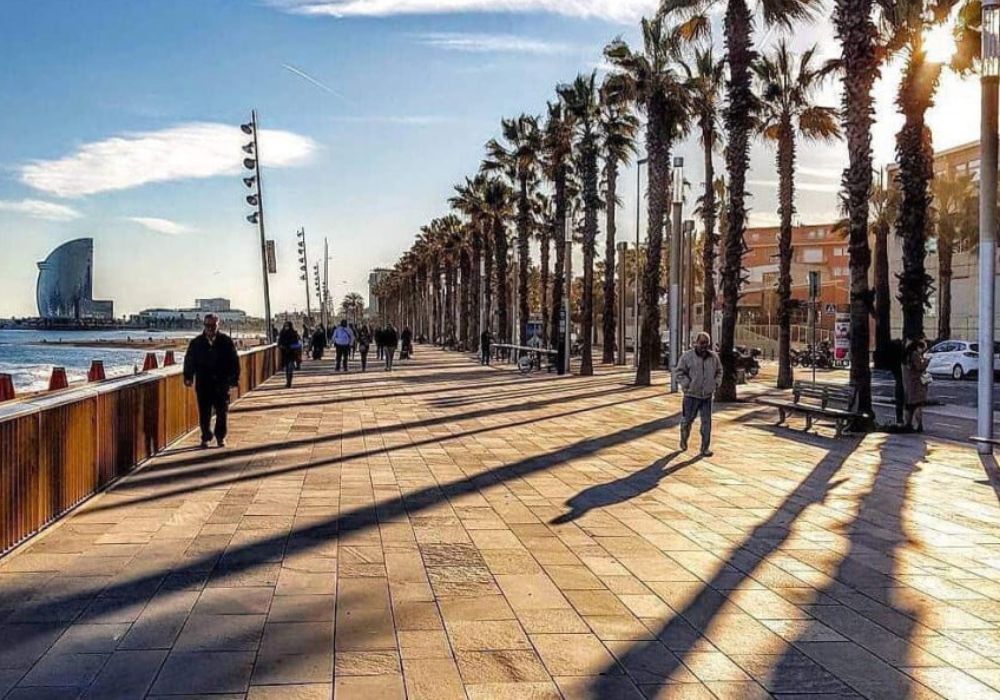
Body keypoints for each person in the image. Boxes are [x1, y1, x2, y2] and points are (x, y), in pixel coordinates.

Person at [183, 314, 241, 448]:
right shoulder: (196, 343)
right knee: (204, 413)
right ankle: (206, 437)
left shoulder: (226, 341)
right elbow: (189, 361)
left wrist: (234, 378)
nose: (210, 328)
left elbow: (234, 361)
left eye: (213, 325)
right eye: (207, 325)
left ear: (218, 325)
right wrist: (188, 377)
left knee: (222, 412)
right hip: (203, 383)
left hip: (221, 383)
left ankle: (220, 437)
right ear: (204, 326)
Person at [675, 331, 722, 457]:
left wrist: (716, 383)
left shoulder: (713, 357)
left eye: (707, 343)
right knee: (687, 421)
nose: (704, 346)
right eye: (702, 343)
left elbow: (719, 371)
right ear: (696, 343)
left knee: (706, 423)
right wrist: (687, 384)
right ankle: (684, 439)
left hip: (707, 396)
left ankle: (704, 448)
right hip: (691, 396)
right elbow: (679, 372)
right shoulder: (687, 357)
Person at [903, 338, 930, 432]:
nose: (922, 350)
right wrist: (926, 361)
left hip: (907, 382)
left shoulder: (905, 356)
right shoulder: (915, 355)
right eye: (921, 348)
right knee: (918, 404)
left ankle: (908, 424)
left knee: (908, 405)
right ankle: (919, 425)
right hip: (916, 383)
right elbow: (920, 367)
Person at [277, 321, 301, 388]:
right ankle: (288, 381)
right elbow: (279, 343)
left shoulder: (293, 333)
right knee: (287, 368)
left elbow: (297, 342)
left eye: (287, 326)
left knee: (290, 368)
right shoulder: (282, 333)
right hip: (285, 353)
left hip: (292, 352)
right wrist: (282, 346)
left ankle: (289, 382)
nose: (286, 327)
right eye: (285, 326)